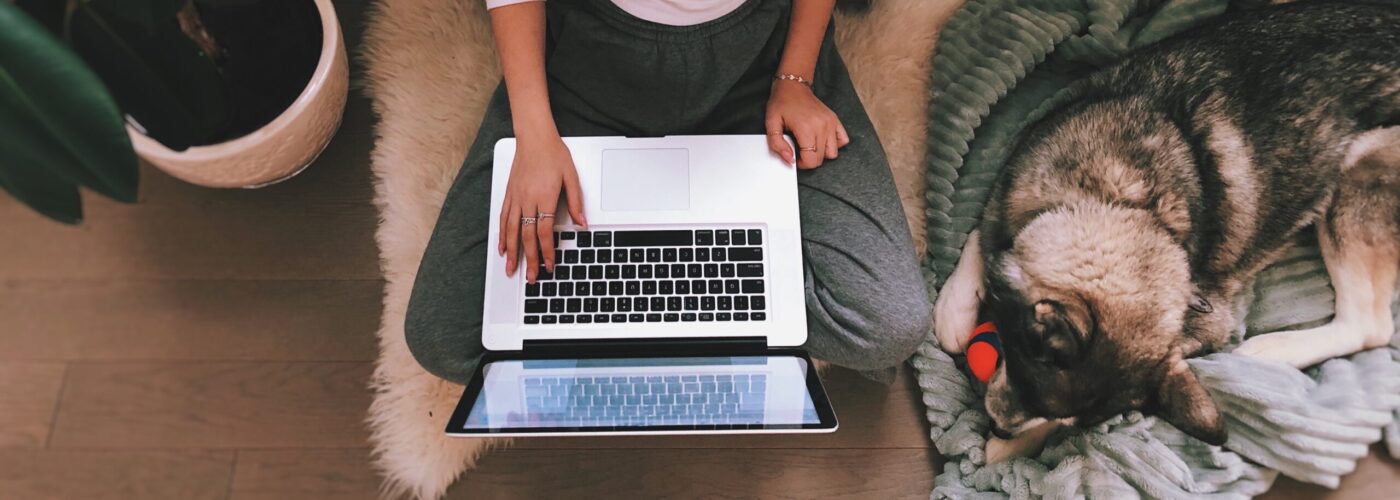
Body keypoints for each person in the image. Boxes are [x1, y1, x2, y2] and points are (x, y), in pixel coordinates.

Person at [405, 0, 930, 384]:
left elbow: (889, 325)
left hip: (760, 59)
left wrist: (795, 76)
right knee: (445, 335)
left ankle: (689, 300)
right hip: (587, 58)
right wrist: (535, 134)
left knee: (887, 324)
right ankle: (680, 301)